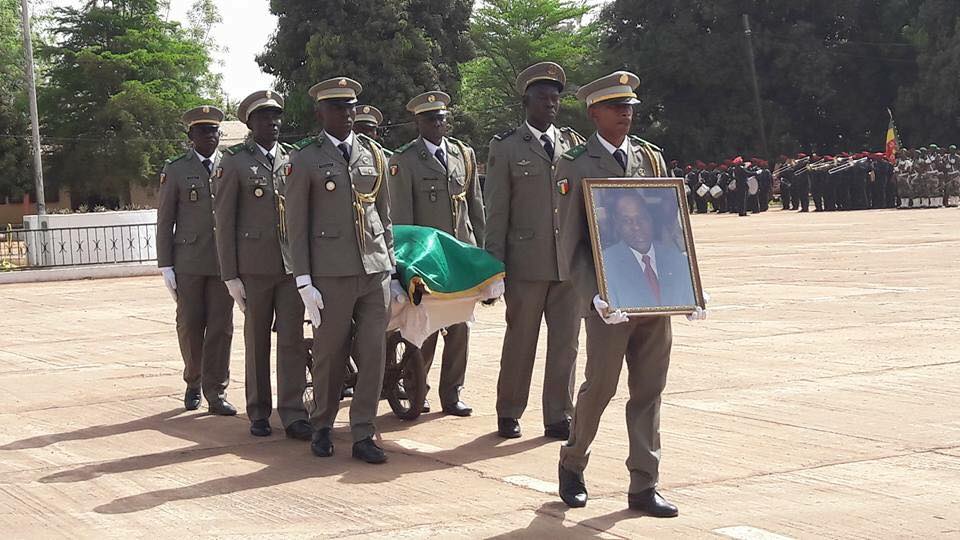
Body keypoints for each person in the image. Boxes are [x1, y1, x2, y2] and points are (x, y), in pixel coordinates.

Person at [554, 70, 706, 517]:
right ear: (594, 112)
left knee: (649, 390)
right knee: (599, 387)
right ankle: (573, 460)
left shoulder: (649, 158)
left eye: (631, 108)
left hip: (654, 295)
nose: (626, 114)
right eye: (617, 107)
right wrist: (592, 296)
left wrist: (689, 285)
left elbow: (669, 228)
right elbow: (571, 243)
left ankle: (644, 483)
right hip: (609, 301)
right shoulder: (575, 163)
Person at [285, 77, 394, 464]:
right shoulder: (304, 159)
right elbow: (295, 225)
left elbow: (384, 214)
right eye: (337, 109)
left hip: (373, 270)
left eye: (350, 108)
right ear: (321, 113)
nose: (346, 115)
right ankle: (323, 425)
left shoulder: (373, 154)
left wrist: (391, 268)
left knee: (373, 352)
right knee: (330, 354)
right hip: (330, 274)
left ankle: (364, 430)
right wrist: (303, 280)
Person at [484, 62, 585, 440]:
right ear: (525, 101)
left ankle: (559, 415)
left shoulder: (573, 146)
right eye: (543, 98)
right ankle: (509, 411)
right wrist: (494, 265)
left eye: (555, 98)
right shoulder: (507, 147)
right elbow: (497, 209)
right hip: (525, 263)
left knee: (566, 344)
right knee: (520, 342)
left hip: (567, 264)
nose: (551, 104)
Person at [214, 90, 312, 441]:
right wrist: (230, 275)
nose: (272, 123)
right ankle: (258, 410)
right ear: (250, 123)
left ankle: (294, 412)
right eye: (264, 118)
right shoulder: (235, 162)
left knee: (293, 342)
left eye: (276, 117)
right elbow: (223, 222)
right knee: (257, 342)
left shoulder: (293, 159)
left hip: (289, 267)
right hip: (253, 268)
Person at [388, 90, 484, 417]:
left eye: (441, 117)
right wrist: (405, 271)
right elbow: (402, 224)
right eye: (430, 118)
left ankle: (452, 393)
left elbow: (476, 210)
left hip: (459, 259)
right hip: (425, 263)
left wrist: (483, 260)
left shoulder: (463, 155)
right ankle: (417, 389)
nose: (437, 123)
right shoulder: (405, 161)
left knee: (460, 329)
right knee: (424, 329)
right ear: (417, 122)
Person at [157, 105, 236, 415]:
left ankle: (216, 391)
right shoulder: (176, 169)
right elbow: (165, 220)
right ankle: (193, 380)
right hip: (188, 260)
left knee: (221, 327)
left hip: (222, 261)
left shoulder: (230, 165)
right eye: (203, 131)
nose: (210, 136)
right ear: (190, 136)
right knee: (190, 325)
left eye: (215, 130)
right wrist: (166, 265)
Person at [601, 193, 696, 309]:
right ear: (617, 225)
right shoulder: (606, 264)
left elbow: (687, 297)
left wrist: (696, 296)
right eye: (626, 221)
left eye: (641, 218)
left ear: (651, 219)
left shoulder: (676, 259)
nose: (636, 226)